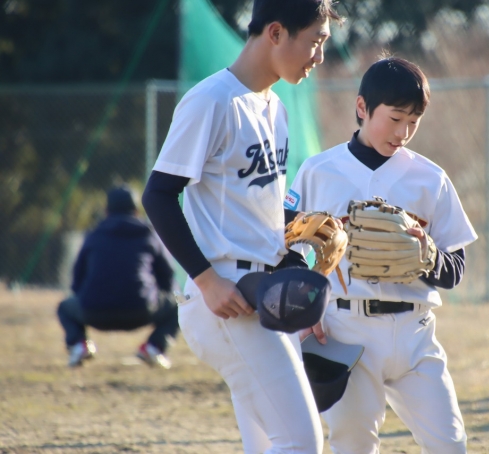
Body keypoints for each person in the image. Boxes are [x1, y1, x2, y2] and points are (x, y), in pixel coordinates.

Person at [141, 1, 342, 452]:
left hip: (262, 295)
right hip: (226, 295)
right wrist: (206, 280)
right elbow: (158, 195)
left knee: (272, 443)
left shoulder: (276, 108)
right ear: (276, 33)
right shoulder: (212, 100)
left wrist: (297, 255)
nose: (319, 56)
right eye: (315, 41)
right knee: (301, 441)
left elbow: (259, 215)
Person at [286, 56, 477, 453]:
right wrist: (305, 308)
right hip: (344, 329)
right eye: (395, 118)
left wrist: (428, 256)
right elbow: (283, 245)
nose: (403, 131)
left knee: (450, 444)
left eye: (414, 121)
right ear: (362, 107)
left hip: (414, 333)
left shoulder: (431, 178)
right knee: (353, 445)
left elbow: (456, 268)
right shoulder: (319, 171)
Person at [57, 185, 179, 369]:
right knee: (177, 306)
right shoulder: (148, 234)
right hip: (140, 310)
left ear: (106, 211)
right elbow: (167, 276)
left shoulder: (94, 235)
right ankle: (154, 347)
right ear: (136, 211)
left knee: (65, 308)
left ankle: (79, 345)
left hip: (94, 312)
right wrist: (156, 294)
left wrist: (86, 296)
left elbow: (77, 278)